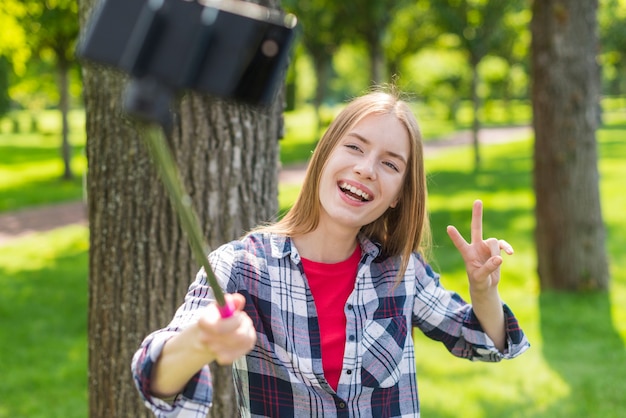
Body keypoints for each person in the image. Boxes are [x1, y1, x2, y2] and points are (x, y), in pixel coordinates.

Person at [131, 89, 530, 417]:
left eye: (390, 164)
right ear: (323, 157)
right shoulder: (241, 267)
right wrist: (200, 341)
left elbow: (486, 342)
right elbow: (157, 379)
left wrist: (483, 289)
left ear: (397, 197)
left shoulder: (400, 271)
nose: (367, 169)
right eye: (355, 147)